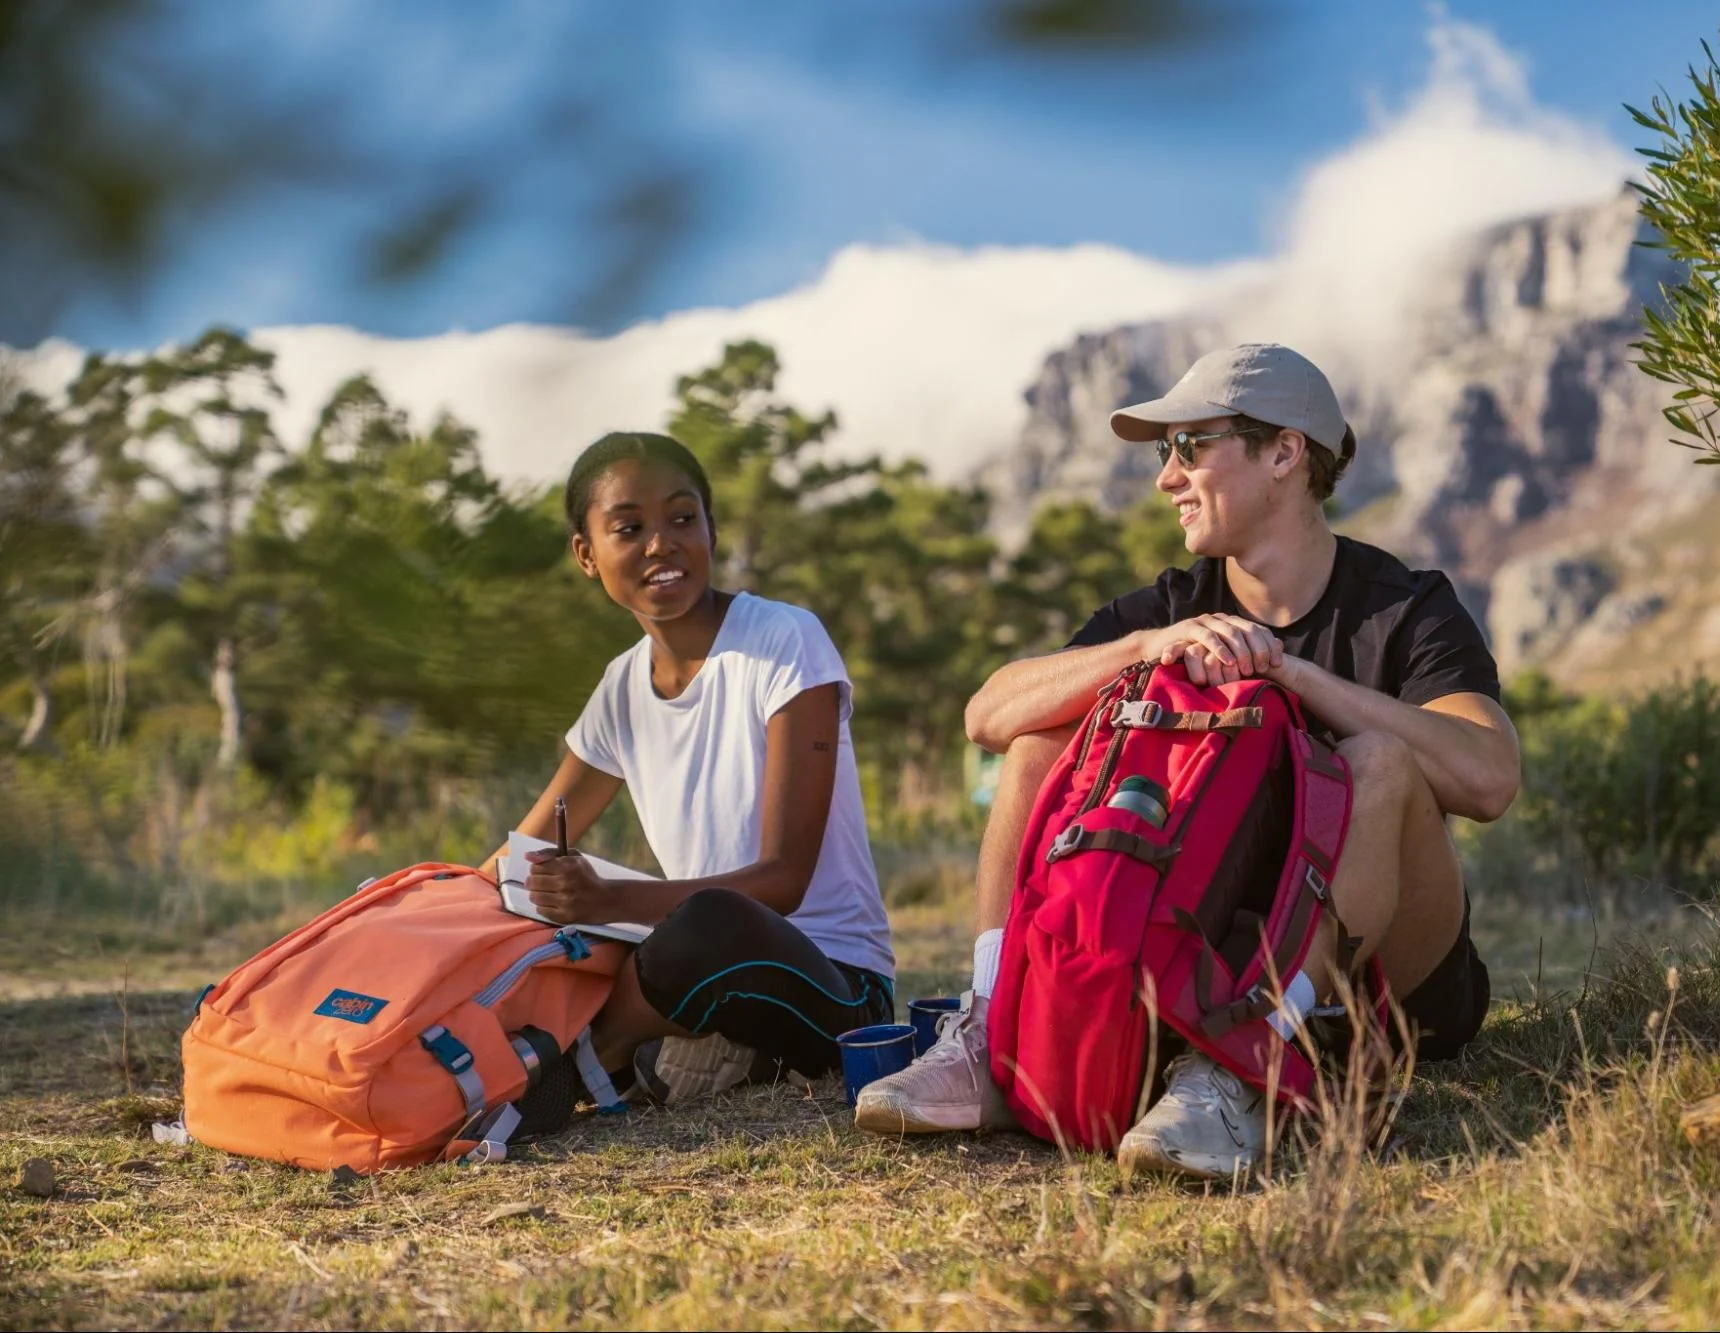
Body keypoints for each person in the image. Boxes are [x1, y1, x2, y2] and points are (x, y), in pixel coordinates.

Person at [854, 343, 1520, 1181]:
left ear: (1282, 452)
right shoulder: (1173, 608)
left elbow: (1488, 776)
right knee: (1041, 740)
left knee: (1378, 760)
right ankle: (994, 1030)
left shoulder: (1405, 605)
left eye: (1188, 446)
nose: (1166, 477)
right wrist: (1143, 646)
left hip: (1388, 981)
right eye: (1159, 452)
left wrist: (1292, 673)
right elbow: (987, 715)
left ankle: (1253, 1058)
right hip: (1209, 968)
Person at [490, 430, 895, 1108]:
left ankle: (586, 1068)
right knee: (552, 926)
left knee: (709, 922)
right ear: (586, 555)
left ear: (710, 528)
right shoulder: (620, 687)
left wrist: (607, 899)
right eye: (630, 527)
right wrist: (421, 909)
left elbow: (783, 882)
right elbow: (522, 853)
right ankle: (673, 1046)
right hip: (691, 959)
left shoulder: (783, 641)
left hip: (833, 983)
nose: (661, 543)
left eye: (683, 519)